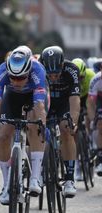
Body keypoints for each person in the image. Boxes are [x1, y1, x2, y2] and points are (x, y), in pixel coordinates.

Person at [0, 45, 48, 205]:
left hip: (33, 98)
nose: (16, 82)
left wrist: (42, 124)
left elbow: (40, 106)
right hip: (12, 98)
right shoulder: (2, 71)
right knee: (3, 134)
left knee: (34, 127)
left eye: (21, 78)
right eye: (12, 78)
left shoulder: (38, 71)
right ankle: (7, 184)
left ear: (28, 72)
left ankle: (35, 178)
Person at [40, 46, 80, 198]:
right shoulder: (37, 67)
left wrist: (73, 123)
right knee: (35, 129)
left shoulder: (72, 70)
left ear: (63, 65)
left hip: (65, 103)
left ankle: (69, 179)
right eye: (49, 75)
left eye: (56, 74)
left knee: (66, 129)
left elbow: (75, 100)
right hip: (45, 101)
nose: (53, 78)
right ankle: (37, 169)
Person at [71, 58, 95, 181]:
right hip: (74, 98)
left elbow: (93, 98)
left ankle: (91, 141)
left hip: (87, 98)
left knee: (89, 119)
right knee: (74, 132)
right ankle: (77, 167)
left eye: (81, 77)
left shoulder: (91, 76)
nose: (78, 80)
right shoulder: (69, 77)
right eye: (76, 77)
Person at [87, 61, 102, 177]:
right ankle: (101, 157)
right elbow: (91, 103)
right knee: (100, 125)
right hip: (99, 101)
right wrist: (93, 120)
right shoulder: (96, 80)